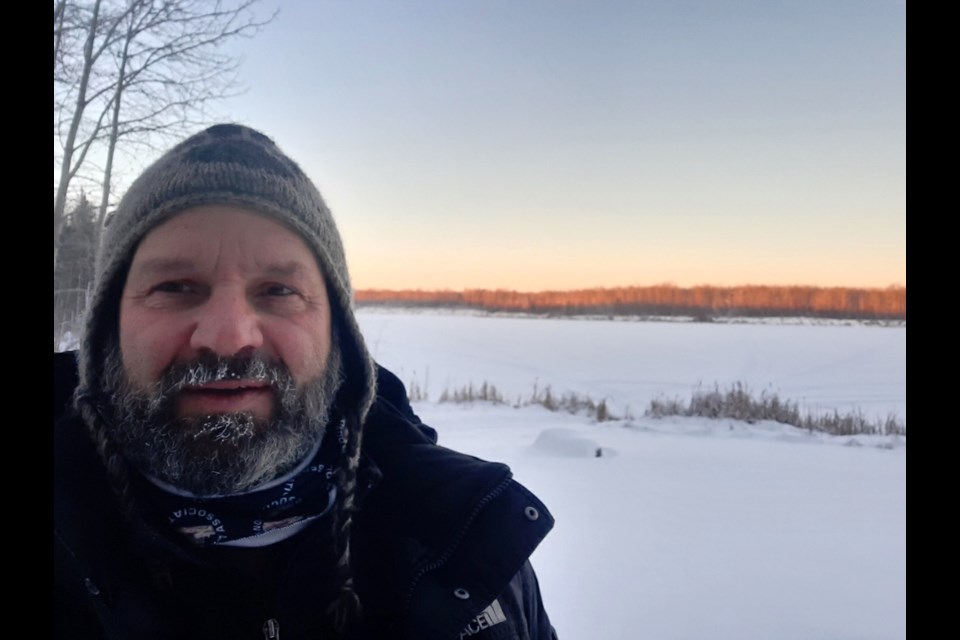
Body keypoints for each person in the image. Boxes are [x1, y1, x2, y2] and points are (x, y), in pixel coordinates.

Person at [54, 124, 557, 639]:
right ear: (106, 330)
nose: (229, 338)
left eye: (277, 290)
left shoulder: (464, 543)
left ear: (336, 333)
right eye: (175, 286)